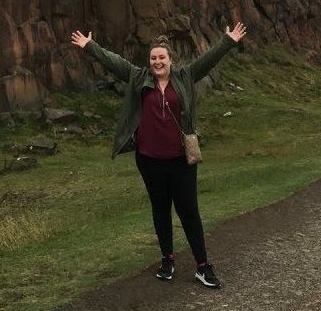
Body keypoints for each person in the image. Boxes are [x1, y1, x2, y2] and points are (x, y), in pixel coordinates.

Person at [70, 21, 247, 288]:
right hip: (149, 160)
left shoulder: (185, 76)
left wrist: (228, 41)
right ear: (149, 61)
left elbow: (207, 60)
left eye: (161, 57)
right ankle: (167, 260)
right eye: (153, 58)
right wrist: (89, 46)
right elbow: (114, 62)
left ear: (170, 60)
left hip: (181, 160)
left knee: (189, 211)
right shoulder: (138, 77)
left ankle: (202, 266)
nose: (157, 62)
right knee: (161, 210)